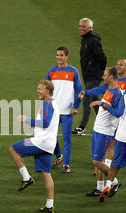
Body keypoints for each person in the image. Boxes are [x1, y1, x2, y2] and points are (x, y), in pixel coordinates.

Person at [9, 80, 60, 213]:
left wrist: (26, 119)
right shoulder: (53, 103)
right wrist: (34, 124)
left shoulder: (47, 104)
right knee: (46, 174)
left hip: (40, 143)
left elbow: (45, 123)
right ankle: (50, 206)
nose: (38, 91)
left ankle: (26, 178)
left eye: (40, 89)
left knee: (13, 149)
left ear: (48, 91)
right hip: (49, 144)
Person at [78, 68, 122, 198]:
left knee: (97, 162)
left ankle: (114, 182)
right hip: (97, 129)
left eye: (105, 75)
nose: (103, 77)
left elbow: (119, 113)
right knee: (97, 160)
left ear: (111, 77)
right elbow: (97, 90)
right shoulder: (107, 88)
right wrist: (85, 92)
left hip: (106, 131)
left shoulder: (118, 94)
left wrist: (103, 104)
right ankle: (99, 187)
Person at [46, 46, 82, 174]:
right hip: (54, 110)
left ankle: (66, 165)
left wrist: (75, 106)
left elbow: (79, 90)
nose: (59, 58)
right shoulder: (51, 72)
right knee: (51, 137)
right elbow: (46, 91)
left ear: (66, 56)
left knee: (67, 138)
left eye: (61, 55)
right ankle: (59, 156)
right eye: (57, 55)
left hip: (67, 112)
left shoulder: (73, 72)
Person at [73, 17, 107, 136]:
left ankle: (82, 127)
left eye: (84, 26)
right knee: (95, 100)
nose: (81, 28)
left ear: (90, 28)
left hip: (94, 76)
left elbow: (102, 57)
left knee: (86, 98)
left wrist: (102, 72)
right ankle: (103, 124)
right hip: (88, 75)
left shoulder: (92, 40)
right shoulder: (85, 40)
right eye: (80, 26)